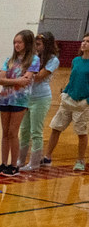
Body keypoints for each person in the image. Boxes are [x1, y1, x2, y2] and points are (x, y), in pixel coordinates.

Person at [0, 30, 39, 177]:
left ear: (27, 43)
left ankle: (14, 165)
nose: (16, 45)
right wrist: (16, 81)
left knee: (13, 132)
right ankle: (3, 163)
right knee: (5, 133)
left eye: (19, 42)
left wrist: (11, 81)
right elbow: (0, 80)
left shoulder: (33, 59)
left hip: (20, 99)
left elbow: (26, 80)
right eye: (15, 42)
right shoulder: (9, 59)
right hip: (5, 98)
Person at [42, 33, 89, 172]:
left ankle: (80, 160)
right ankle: (47, 156)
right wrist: (64, 93)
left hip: (82, 103)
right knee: (56, 128)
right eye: (83, 41)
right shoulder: (76, 60)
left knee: (81, 133)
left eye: (87, 41)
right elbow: (72, 78)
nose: (84, 43)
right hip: (69, 99)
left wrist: (87, 101)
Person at [17, 31, 59, 171]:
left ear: (46, 45)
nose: (36, 46)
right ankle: (20, 160)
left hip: (41, 98)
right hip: (27, 96)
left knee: (36, 131)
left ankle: (34, 163)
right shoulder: (33, 58)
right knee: (24, 130)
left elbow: (39, 76)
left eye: (39, 44)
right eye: (35, 44)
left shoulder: (53, 60)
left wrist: (27, 73)